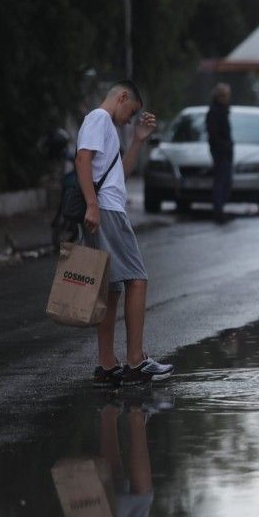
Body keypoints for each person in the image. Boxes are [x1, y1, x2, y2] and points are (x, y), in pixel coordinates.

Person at [76, 80, 174, 386]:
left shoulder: (107, 127)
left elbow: (120, 174)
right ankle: (135, 362)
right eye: (130, 112)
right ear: (121, 97)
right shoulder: (99, 118)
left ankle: (107, 365)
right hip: (107, 212)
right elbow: (82, 159)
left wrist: (138, 141)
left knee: (113, 288)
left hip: (107, 208)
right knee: (137, 279)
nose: (130, 120)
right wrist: (92, 204)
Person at [206, 83, 234, 224]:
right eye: (225, 95)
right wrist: (223, 147)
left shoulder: (222, 110)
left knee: (225, 182)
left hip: (224, 151)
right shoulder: (216, 111)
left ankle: (220, 209)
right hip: (221, 152)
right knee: (221, 181)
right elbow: (214, 134)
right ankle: (218, 211)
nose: (227, 98)